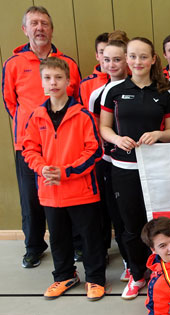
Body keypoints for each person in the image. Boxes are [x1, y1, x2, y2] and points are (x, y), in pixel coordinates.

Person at [2, 6, 81, 269]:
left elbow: (77, 101)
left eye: (44, 23)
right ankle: (34, 247)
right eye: (33, 23)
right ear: (24, 30)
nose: (39, 28)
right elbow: (10, 104)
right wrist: (30, 128)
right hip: (29, 145)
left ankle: (76, 244)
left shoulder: (68, 63)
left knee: (69, 193)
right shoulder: (13, 64)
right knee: (31, 199)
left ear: (52, 29)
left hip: (65, 143)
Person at [22, 57, 106, 301]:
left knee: (90, 238)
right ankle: (64, 276)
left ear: (68, 81)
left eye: (58, 77)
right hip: (50, 192)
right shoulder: (37, 116)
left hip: (81, 190)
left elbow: (94, 151)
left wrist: (67, 171)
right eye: (47, 78)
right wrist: (42, 168)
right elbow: (29, 149)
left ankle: (95, 279)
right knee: (58, 238)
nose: (53, 82)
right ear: (42, 83)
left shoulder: (83, 115)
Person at [100, 37, 170, 299]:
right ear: (126, 59)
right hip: (124, 169)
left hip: (157, 170)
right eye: (132, 56)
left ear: (153, 59)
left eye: (143, 56)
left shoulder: (164, 93)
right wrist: (117, 139)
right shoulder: (114, 91)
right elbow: (104, 128)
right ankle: (137, 274)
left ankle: (162, 271)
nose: (137, 62)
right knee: (131, 226)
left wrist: (158, 134)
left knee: (158, 223)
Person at [88, 38, 132, 282]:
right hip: (110, 161)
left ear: (127, 60)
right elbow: (97, 129)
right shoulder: (98, 94)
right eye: (107, 60)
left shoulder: (139, 87)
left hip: (139, 162)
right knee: (119, 215)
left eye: (117, 59)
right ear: (101, 61)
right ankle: (128, 261)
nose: (112, 64)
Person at [77, 32, 111, 263]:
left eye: (114, 55)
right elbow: (82, 120)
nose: (108, 60)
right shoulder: (88, 86)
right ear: (97, 56)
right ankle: (102, 250)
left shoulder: (133, 82)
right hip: (97, 154)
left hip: (122, 156)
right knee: (100, 206)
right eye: (103, 54)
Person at [79, 32, 110, 107]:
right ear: (97, 56)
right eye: (102, 52)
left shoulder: (128, 79)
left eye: (109, 51)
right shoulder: (85, 85)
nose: (106, 56)